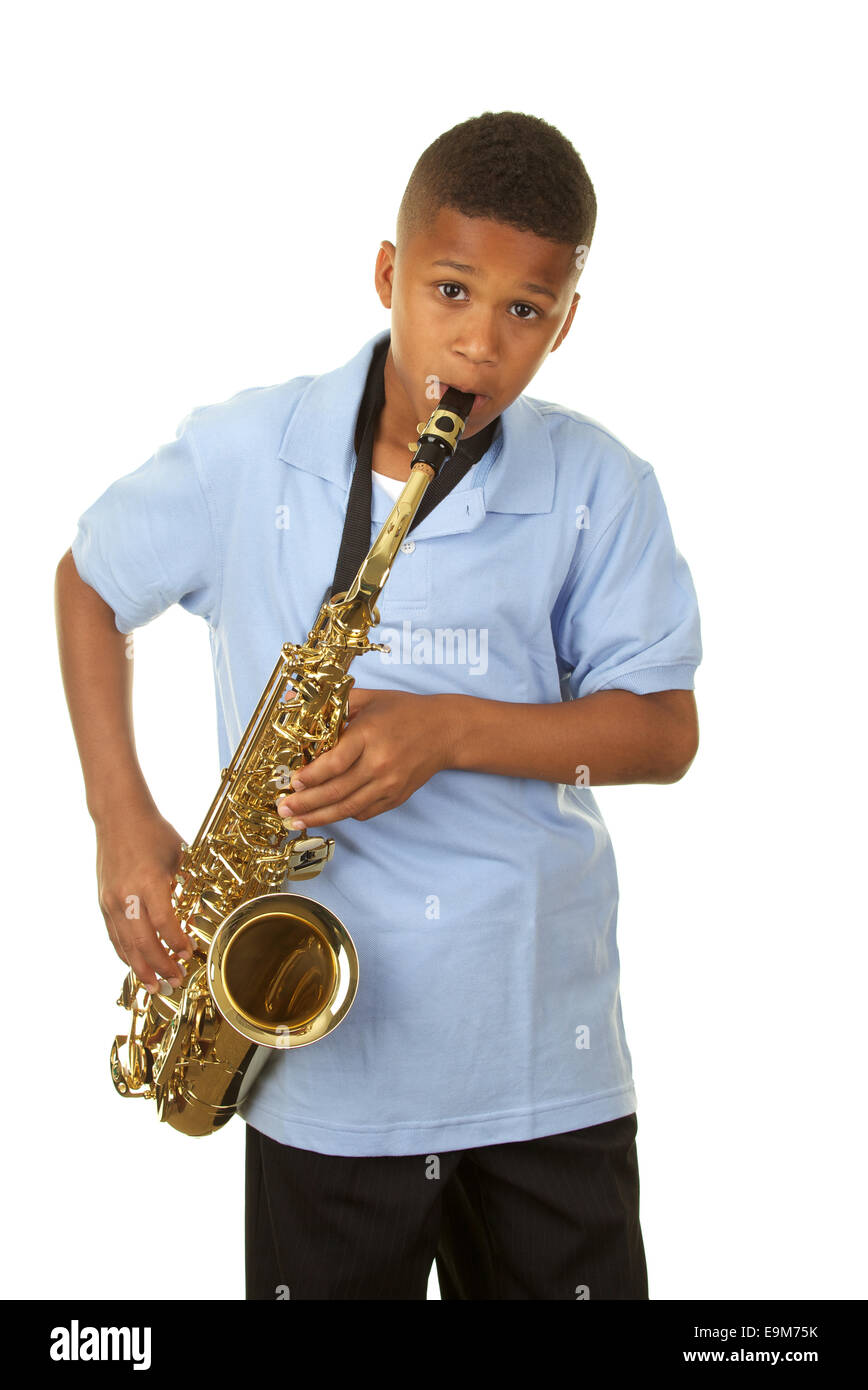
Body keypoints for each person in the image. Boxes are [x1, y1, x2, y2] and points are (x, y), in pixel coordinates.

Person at [55, 110, 702, 1300]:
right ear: (388, 274)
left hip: (536, 1054)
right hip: (327, 1079)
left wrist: (449, 730)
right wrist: (120, 817)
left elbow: (662, 730)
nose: (480, 343)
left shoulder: (602, 483)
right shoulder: (247, 451)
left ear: (567, 322)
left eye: (526, 311)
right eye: (451, 290)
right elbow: (89, 584)